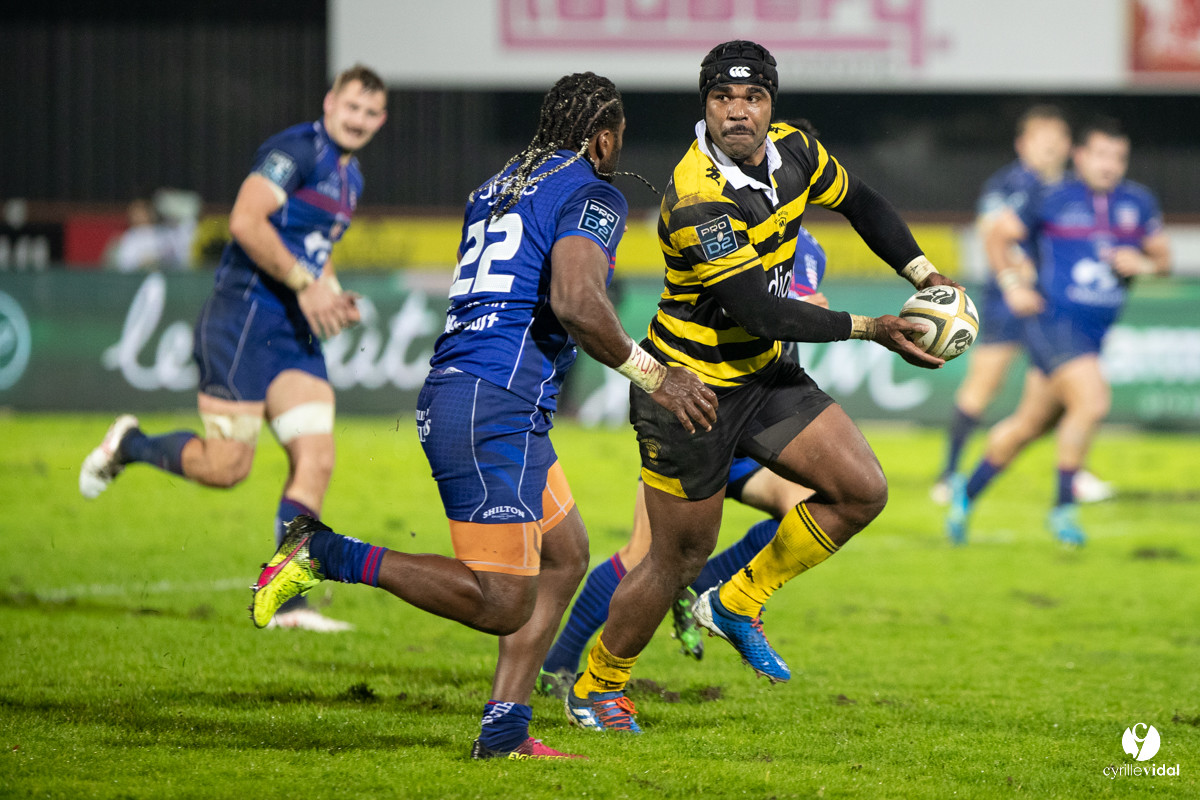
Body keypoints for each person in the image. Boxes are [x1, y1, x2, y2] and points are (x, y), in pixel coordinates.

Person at [247, 73, 717, 759]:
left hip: (478, 393)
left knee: (566, 554)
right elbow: (579, 305)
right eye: (615, 141)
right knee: (503, 601)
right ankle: (323, 551)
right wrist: (656, 377)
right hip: (495, 403)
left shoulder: (498, 185)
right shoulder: (592, 190)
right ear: (604, 137)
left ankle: (503, 729)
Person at [564, 40, 953, 735]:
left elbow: (861, 201)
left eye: (751, 98)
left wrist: (923, 275)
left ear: (771, 104)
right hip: (688, 391)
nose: (736, 112)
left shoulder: (797, 149)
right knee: (676, 557)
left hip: (763, 376)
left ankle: (739, 600)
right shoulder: (696, 195)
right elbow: (761, 311)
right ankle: (595, 683)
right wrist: (871, 326)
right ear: (704, 106)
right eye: (722, 98)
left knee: (861, 490)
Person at [79, 65, 388, 632]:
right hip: (242, 317)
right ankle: (132, 444)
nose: (359, 120)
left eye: (371, 113)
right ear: (329, 103)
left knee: (316, 458)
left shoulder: (353, 178)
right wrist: (306, 284)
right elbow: (245, 221)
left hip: (293, 332)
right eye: (352, 108)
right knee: (227, 468)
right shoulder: (295, 149)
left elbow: (317, 254)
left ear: (381, 119)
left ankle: (288, 602)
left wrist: (332, 294)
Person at [537, 221, 828, 695]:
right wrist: (801, 312)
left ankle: (704, 586)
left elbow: (797, 310)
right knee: (641, 557)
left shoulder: (806, 243)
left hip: (753, 425)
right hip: (696, 418)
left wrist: (809, 314)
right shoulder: (714, 224)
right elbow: (755, 312)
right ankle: (559, 664)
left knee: (815, 505)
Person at [947, 117, 1170, 546]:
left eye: (1118, 157)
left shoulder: (1137, 202)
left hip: (1093, 334)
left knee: (1028, 426)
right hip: (1052, 323)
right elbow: (997, 237)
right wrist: (1013, 285)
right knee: (1092, 400)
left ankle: (966, 494)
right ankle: (1064, 507)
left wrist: (1141, 263)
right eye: (1101, 155)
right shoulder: (1051, 196)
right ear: (1080, 156)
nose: (1110, 165)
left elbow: (1162, 257)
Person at [932, 106, 1116, 507]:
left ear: (1069, 146)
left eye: (1057, 142)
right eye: (1041, 142)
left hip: (1052, 305)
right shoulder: (1007, 185)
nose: (1050, 150)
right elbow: (993, 234)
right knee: (984, 385)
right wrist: (1015, 276)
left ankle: (1074, 472)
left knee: (1069, 396)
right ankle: (949, 475)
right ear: (1023, 144)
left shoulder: (1072, 188)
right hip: (1006, 300)